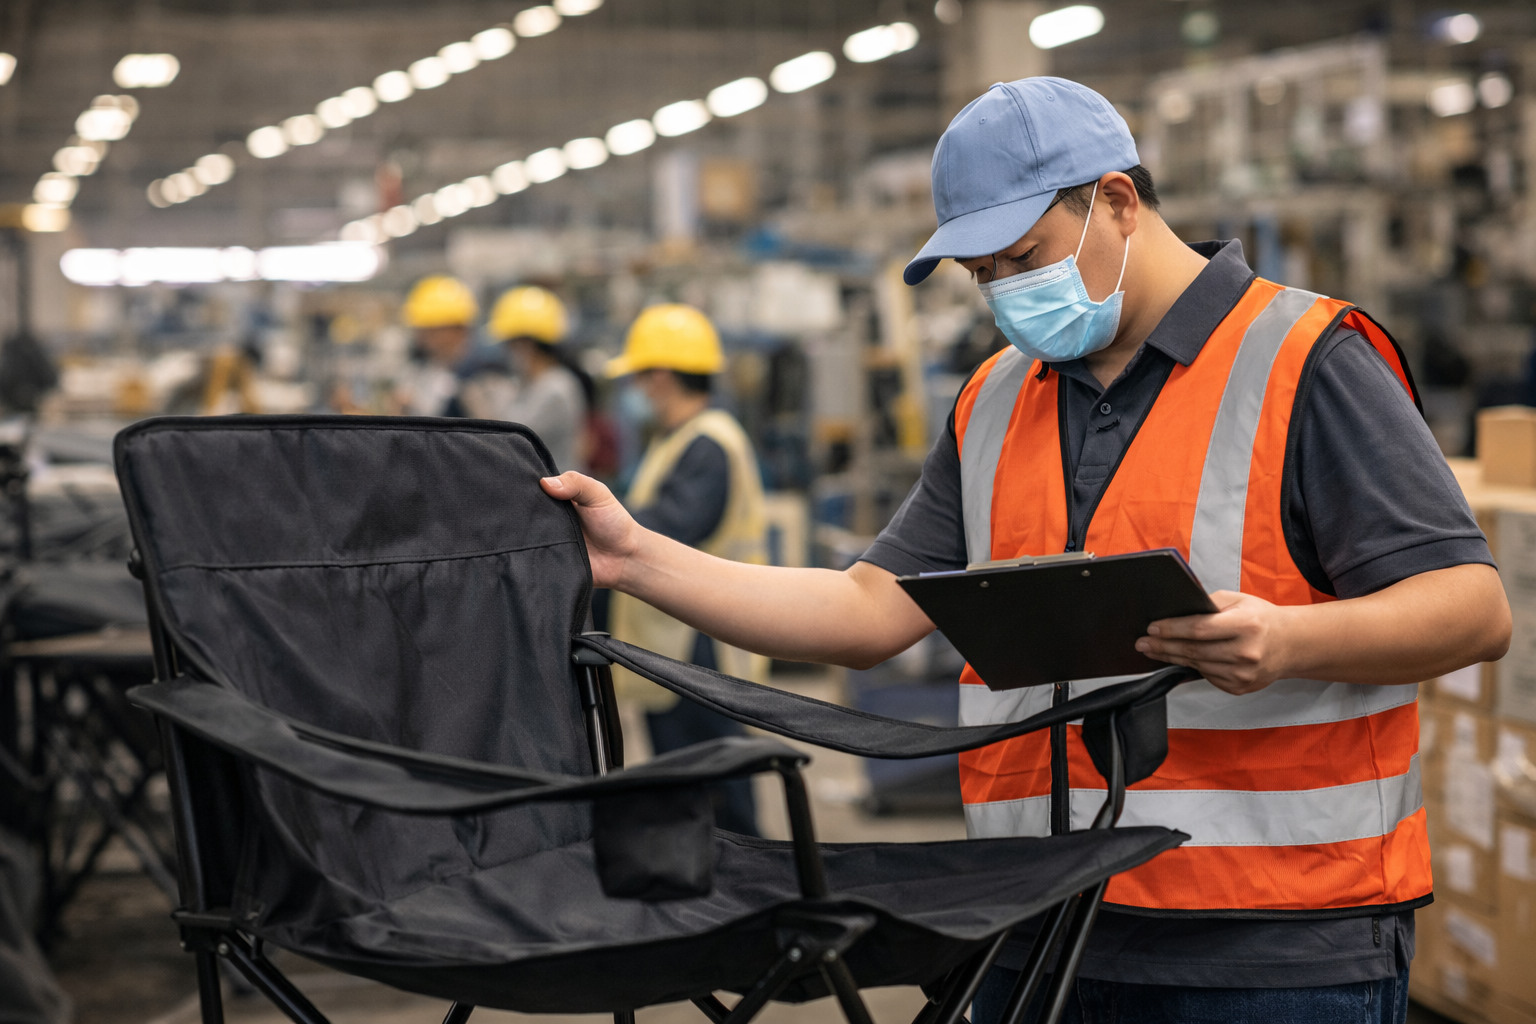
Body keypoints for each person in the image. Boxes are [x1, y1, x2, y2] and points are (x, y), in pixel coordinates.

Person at [542, 77, 1512, 1024]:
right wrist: (634, 558)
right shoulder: (998, 397)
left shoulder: (1305, 359)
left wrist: (1291, 641)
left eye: (1022, 257)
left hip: (1266, 945)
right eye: (982, 275)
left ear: (1117, 202)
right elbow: (866, 610)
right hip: (1034, 928)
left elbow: (1472, 608)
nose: (1005, 292)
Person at [605, 304, 768, 837]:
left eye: (639, 376)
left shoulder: (708, 443)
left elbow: (673, 525)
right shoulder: (678, 438)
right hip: (677, 638)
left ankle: (749, 881)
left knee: (719, 790)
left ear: (660, 376)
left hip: (700, 641)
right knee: (687, 788)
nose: (636, 390)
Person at [471, 285, 589, 471]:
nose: (507, 352)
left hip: (554, 486)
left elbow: (508, 440)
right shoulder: (528, 383)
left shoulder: (557, 389)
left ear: (526, 344)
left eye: (510, 344)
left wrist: (479, 404)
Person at [396, 275, 484, 417]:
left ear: (459, 330)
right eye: (420, 329)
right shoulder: (419, 374)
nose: (422, 337)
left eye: (432, 330)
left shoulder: (485, 377)